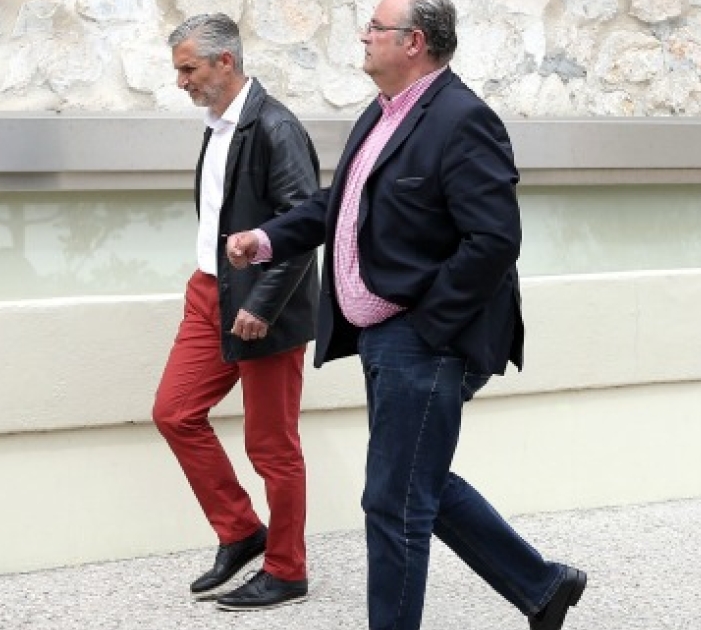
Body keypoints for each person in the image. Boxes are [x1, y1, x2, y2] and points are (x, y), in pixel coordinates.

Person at [225, 0, 586, 628]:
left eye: (376, 27)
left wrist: (427, 327)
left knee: (393, 503)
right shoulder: (383, 113)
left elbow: (494, 239)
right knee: (417, 479)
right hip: (384, 337)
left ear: (414, 41)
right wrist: (268, 238)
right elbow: (340, 203)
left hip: (424, 338)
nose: (364, 36)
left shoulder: (463, 119)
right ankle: (542, 585)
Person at [152, 13, 320, 612]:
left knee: (272, 446)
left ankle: (287, 570)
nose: (181, 82)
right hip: (208, 295)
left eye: (189, 69)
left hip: (262, 305)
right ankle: (242, 531)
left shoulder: (276, 127)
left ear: (226, 61)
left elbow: (304, 224)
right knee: (174, 413)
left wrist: (263, 302)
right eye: (179, 70)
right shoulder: (218, 126)